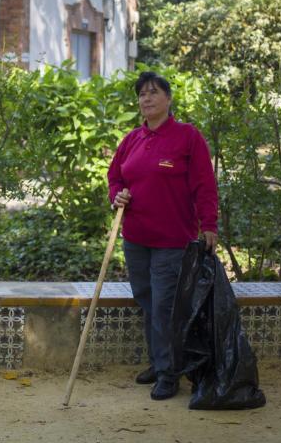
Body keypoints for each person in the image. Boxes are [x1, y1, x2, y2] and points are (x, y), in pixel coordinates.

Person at [107, 71, 218, 400]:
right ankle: (159, 362)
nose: (146, 99)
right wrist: (118, 196)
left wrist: (208, 224)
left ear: (168, 99)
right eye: (141, 94)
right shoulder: (132, 140)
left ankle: (169, 373)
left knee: (165, 307)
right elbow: (115, 177)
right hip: (135, 237)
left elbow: (204, 185)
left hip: (172, 239)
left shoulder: (188, 137)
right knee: (147, 301)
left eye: (153, 92)